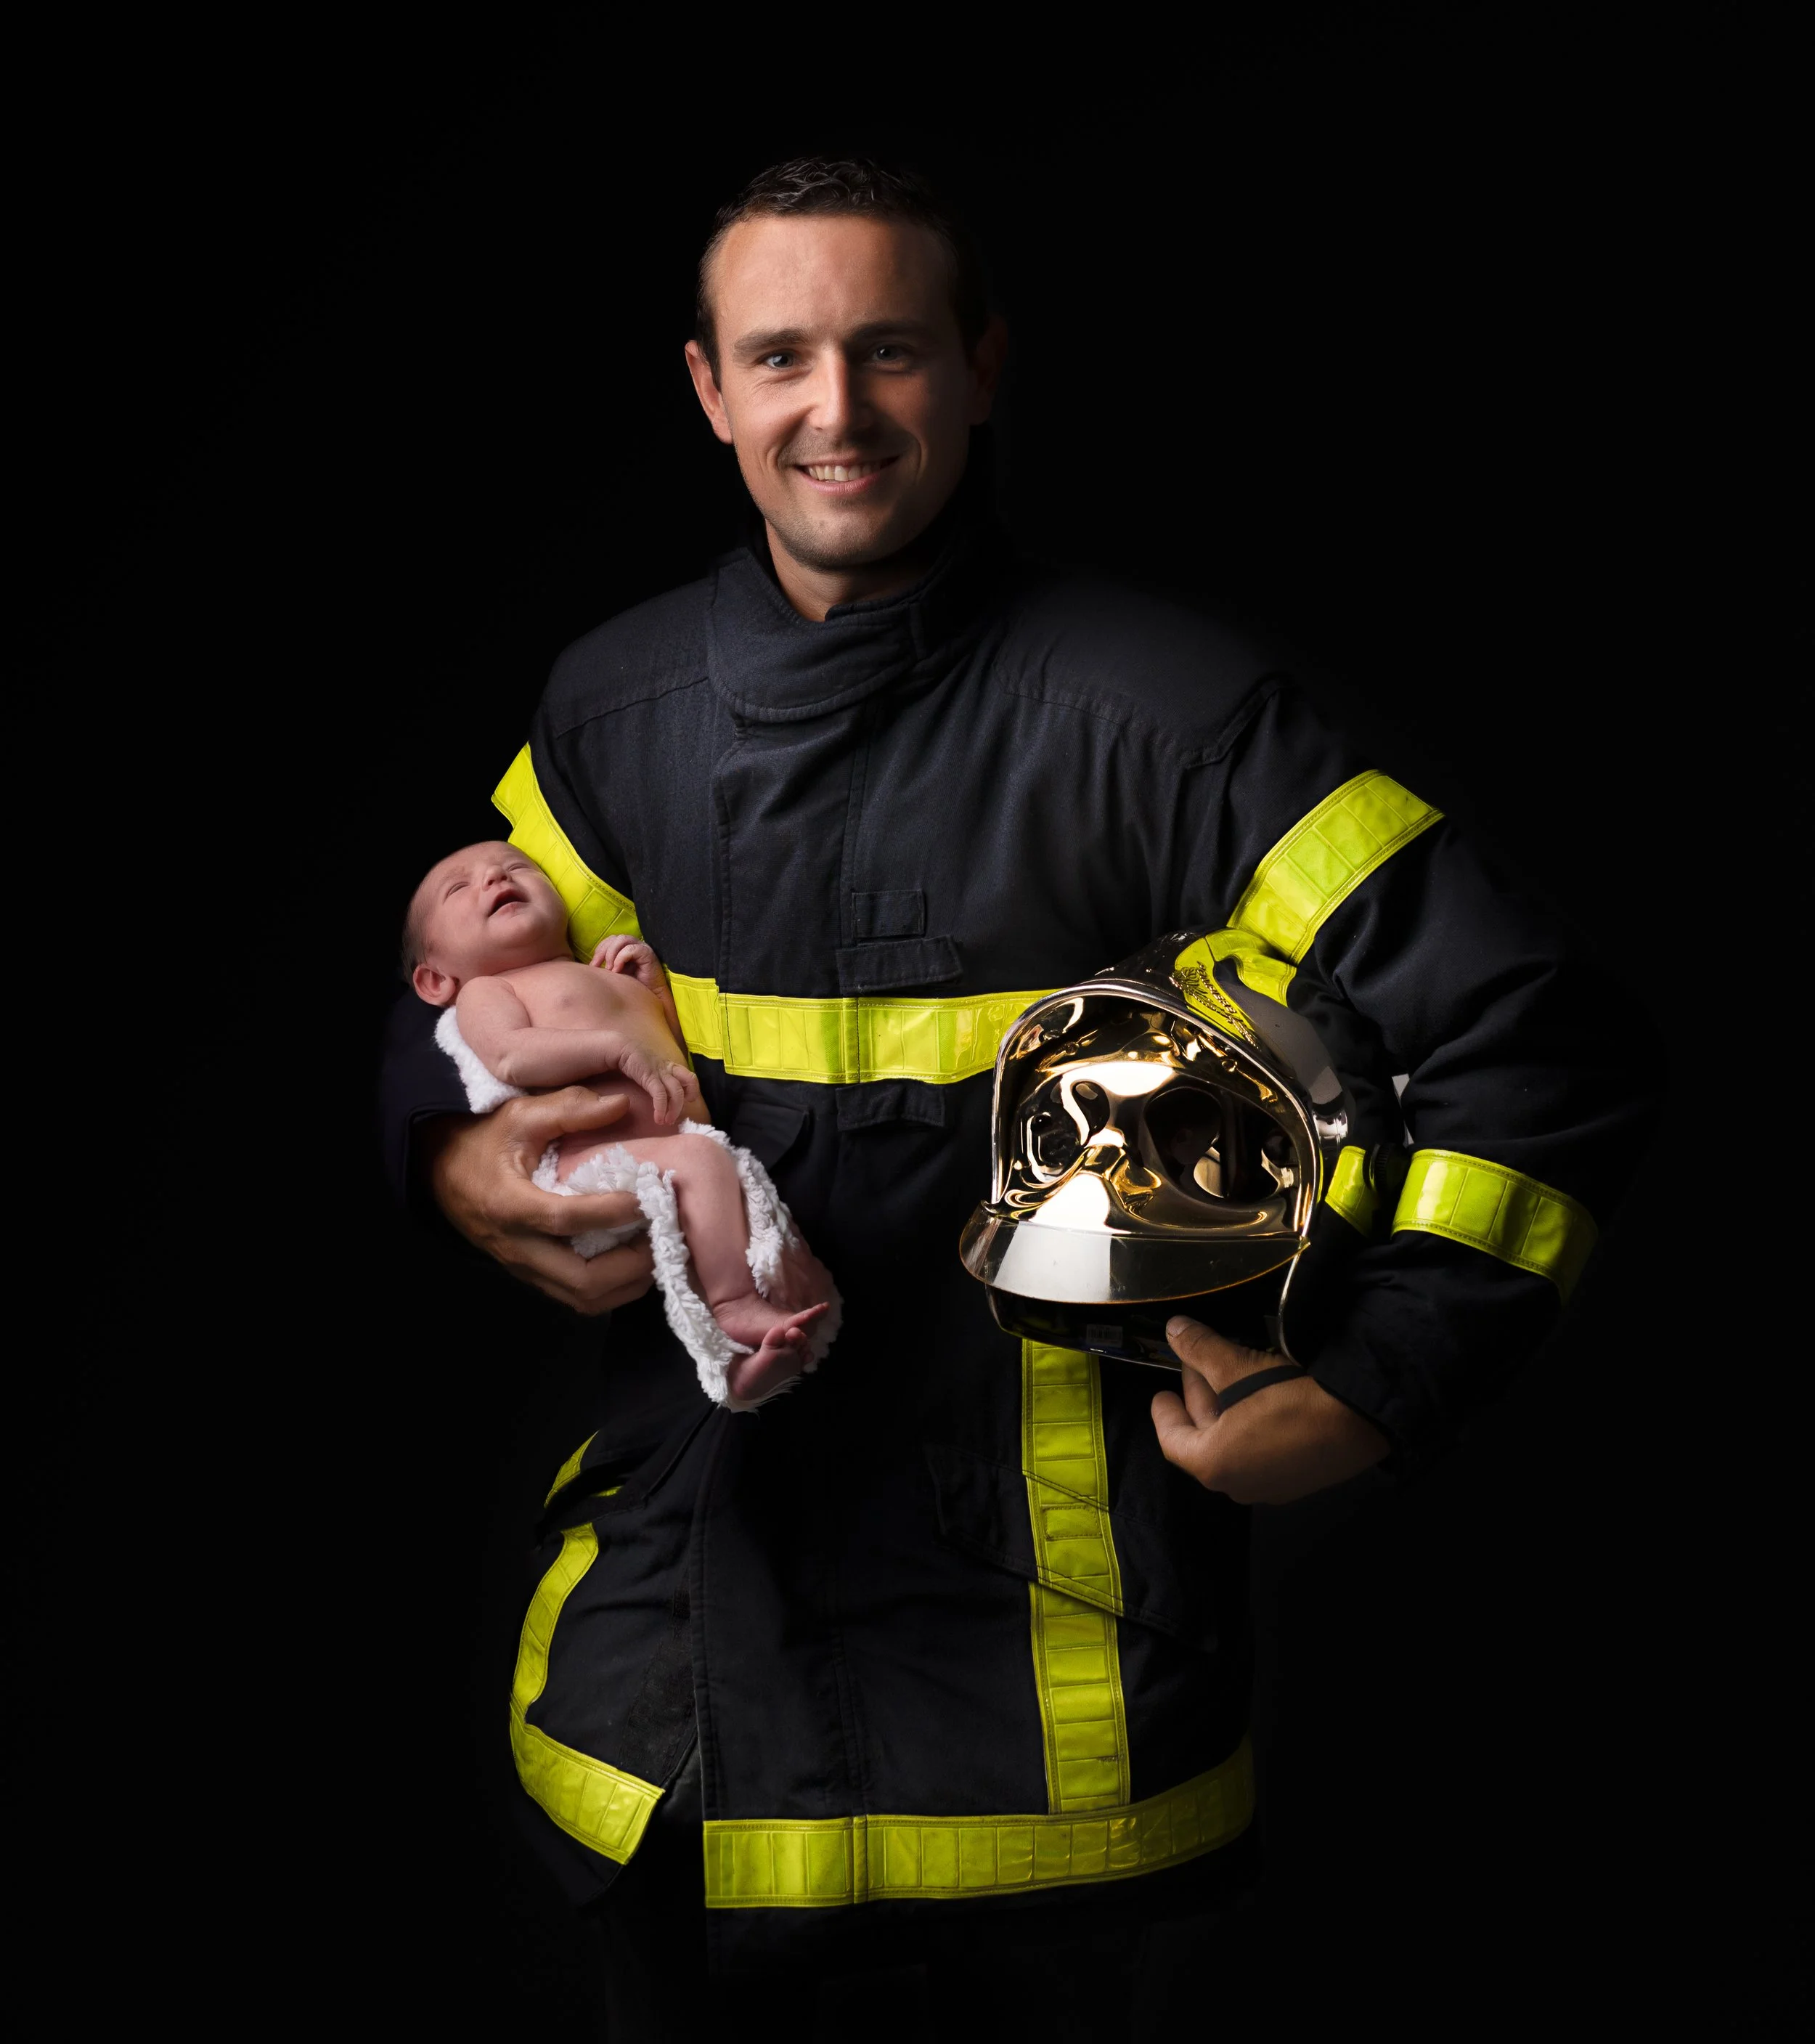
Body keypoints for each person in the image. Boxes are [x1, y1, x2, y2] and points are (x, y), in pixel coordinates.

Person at [380, 157, 1658, 2027]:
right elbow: (454, 970)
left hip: (1050, 1742)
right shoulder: (616, 704)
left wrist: (1380, 1387)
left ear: (980, 367)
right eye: (783, 355)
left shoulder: (1165, 715)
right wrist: (444, 1154)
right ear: (709, 389)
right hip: (663, 1730)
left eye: (889, 349)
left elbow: (1534, 1036)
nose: (837, 408)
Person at [404, 838, 837, 1407]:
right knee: (704, 1164)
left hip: (669, 1145)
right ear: (437, 981)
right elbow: (511, 1055)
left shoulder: (598, 973)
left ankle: (747, 1368)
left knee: (745, 1206)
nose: (492, 878)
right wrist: (613, 1051)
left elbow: (675, 1057)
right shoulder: (490, 990)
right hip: (594, 1161)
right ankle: (734, 1309)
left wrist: (653, 991)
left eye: (516, 868)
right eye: (459, 888)